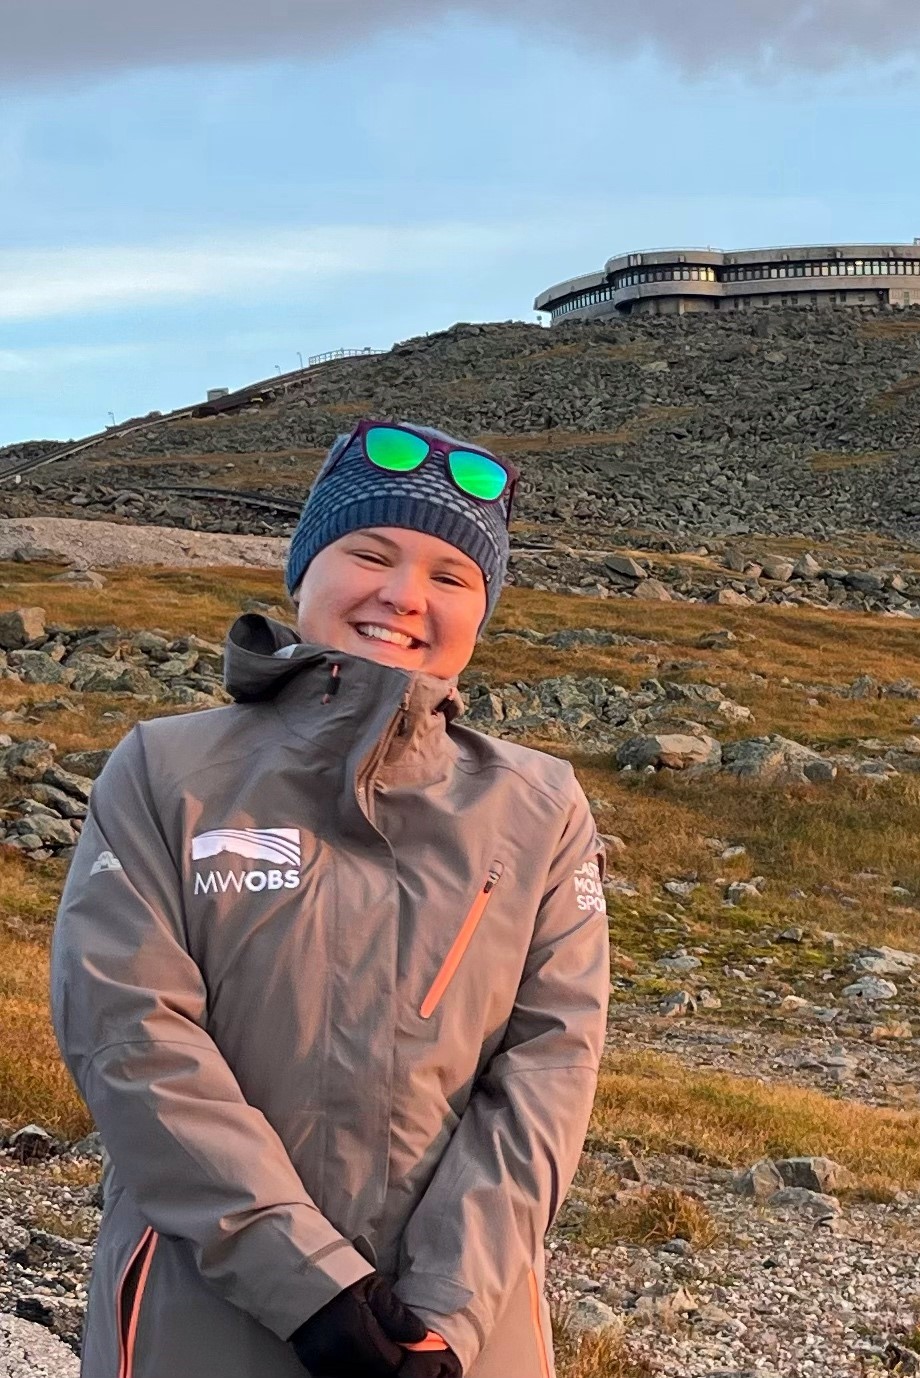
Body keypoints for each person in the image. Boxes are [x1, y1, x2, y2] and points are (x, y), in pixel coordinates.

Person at [49, 419, 610, 1378]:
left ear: (480, 612)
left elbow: (550, 1067)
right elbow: (130, 1033)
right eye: (371, 555)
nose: (404, 596)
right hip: (201, 1309)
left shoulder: (540, 805)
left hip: (462, 1336)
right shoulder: (165, 770)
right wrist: (309, 1287)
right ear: (304, 570)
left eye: (451, 576)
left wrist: (447, 1311)